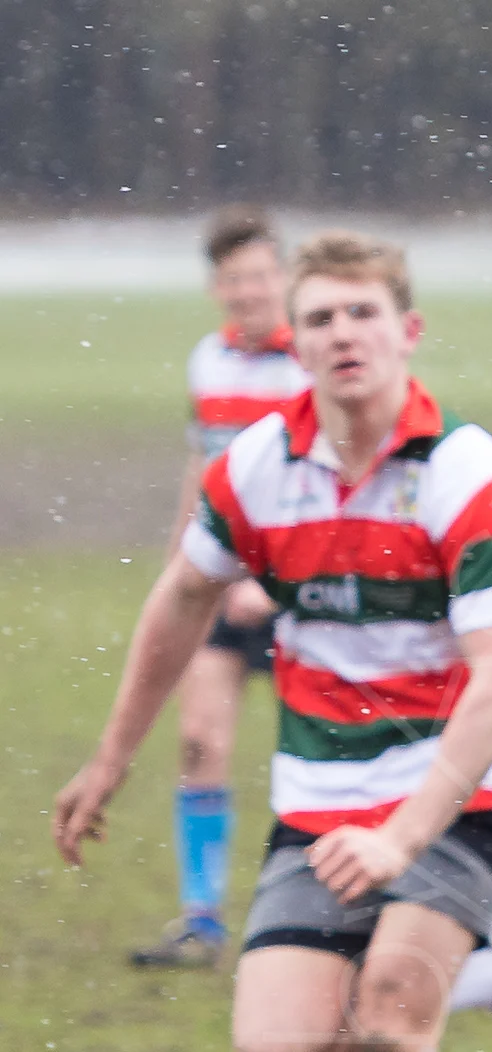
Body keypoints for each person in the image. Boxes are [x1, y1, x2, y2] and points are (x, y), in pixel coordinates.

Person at [52, 231, 492, 1052]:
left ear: (406, 332)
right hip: (318, 797)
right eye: (320, 318)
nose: (341, 335)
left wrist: (403, 831)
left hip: (461, 788)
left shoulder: (461, 470)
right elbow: (180, 602)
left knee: (391, 1027)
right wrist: (111, 759)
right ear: (297, 338)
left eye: (361, 315)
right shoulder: (254, 470)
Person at [132, 207, 309, 968]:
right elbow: (201, 471)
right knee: (200, 741)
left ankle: (336, 917)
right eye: (236, 277)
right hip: (220, 591)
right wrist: (184, 563)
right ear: (217, 288)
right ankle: (201, 924)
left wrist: (274, 584)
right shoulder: (208, 362)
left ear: (285, 279)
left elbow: (326, 488)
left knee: (326, 754)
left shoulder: (315, 362)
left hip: (303, 596)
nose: (251, 289)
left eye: (263, 274)